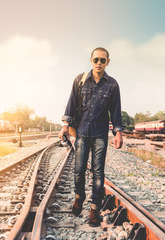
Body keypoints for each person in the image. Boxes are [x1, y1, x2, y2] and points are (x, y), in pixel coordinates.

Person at [59, 47, 123, 227]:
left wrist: (118, 133)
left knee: (98, 173)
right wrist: (65, 126)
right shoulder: (80, 80)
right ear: (91, 60)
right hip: (81, 133)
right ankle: (79, 197)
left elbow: (115, 111)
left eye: (103, 60)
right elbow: (71, 104)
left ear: (108, 62)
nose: (99, 63)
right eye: (96, 60)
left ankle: (94, 209)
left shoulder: (112, 84)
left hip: (100, 134)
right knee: (79, 171)